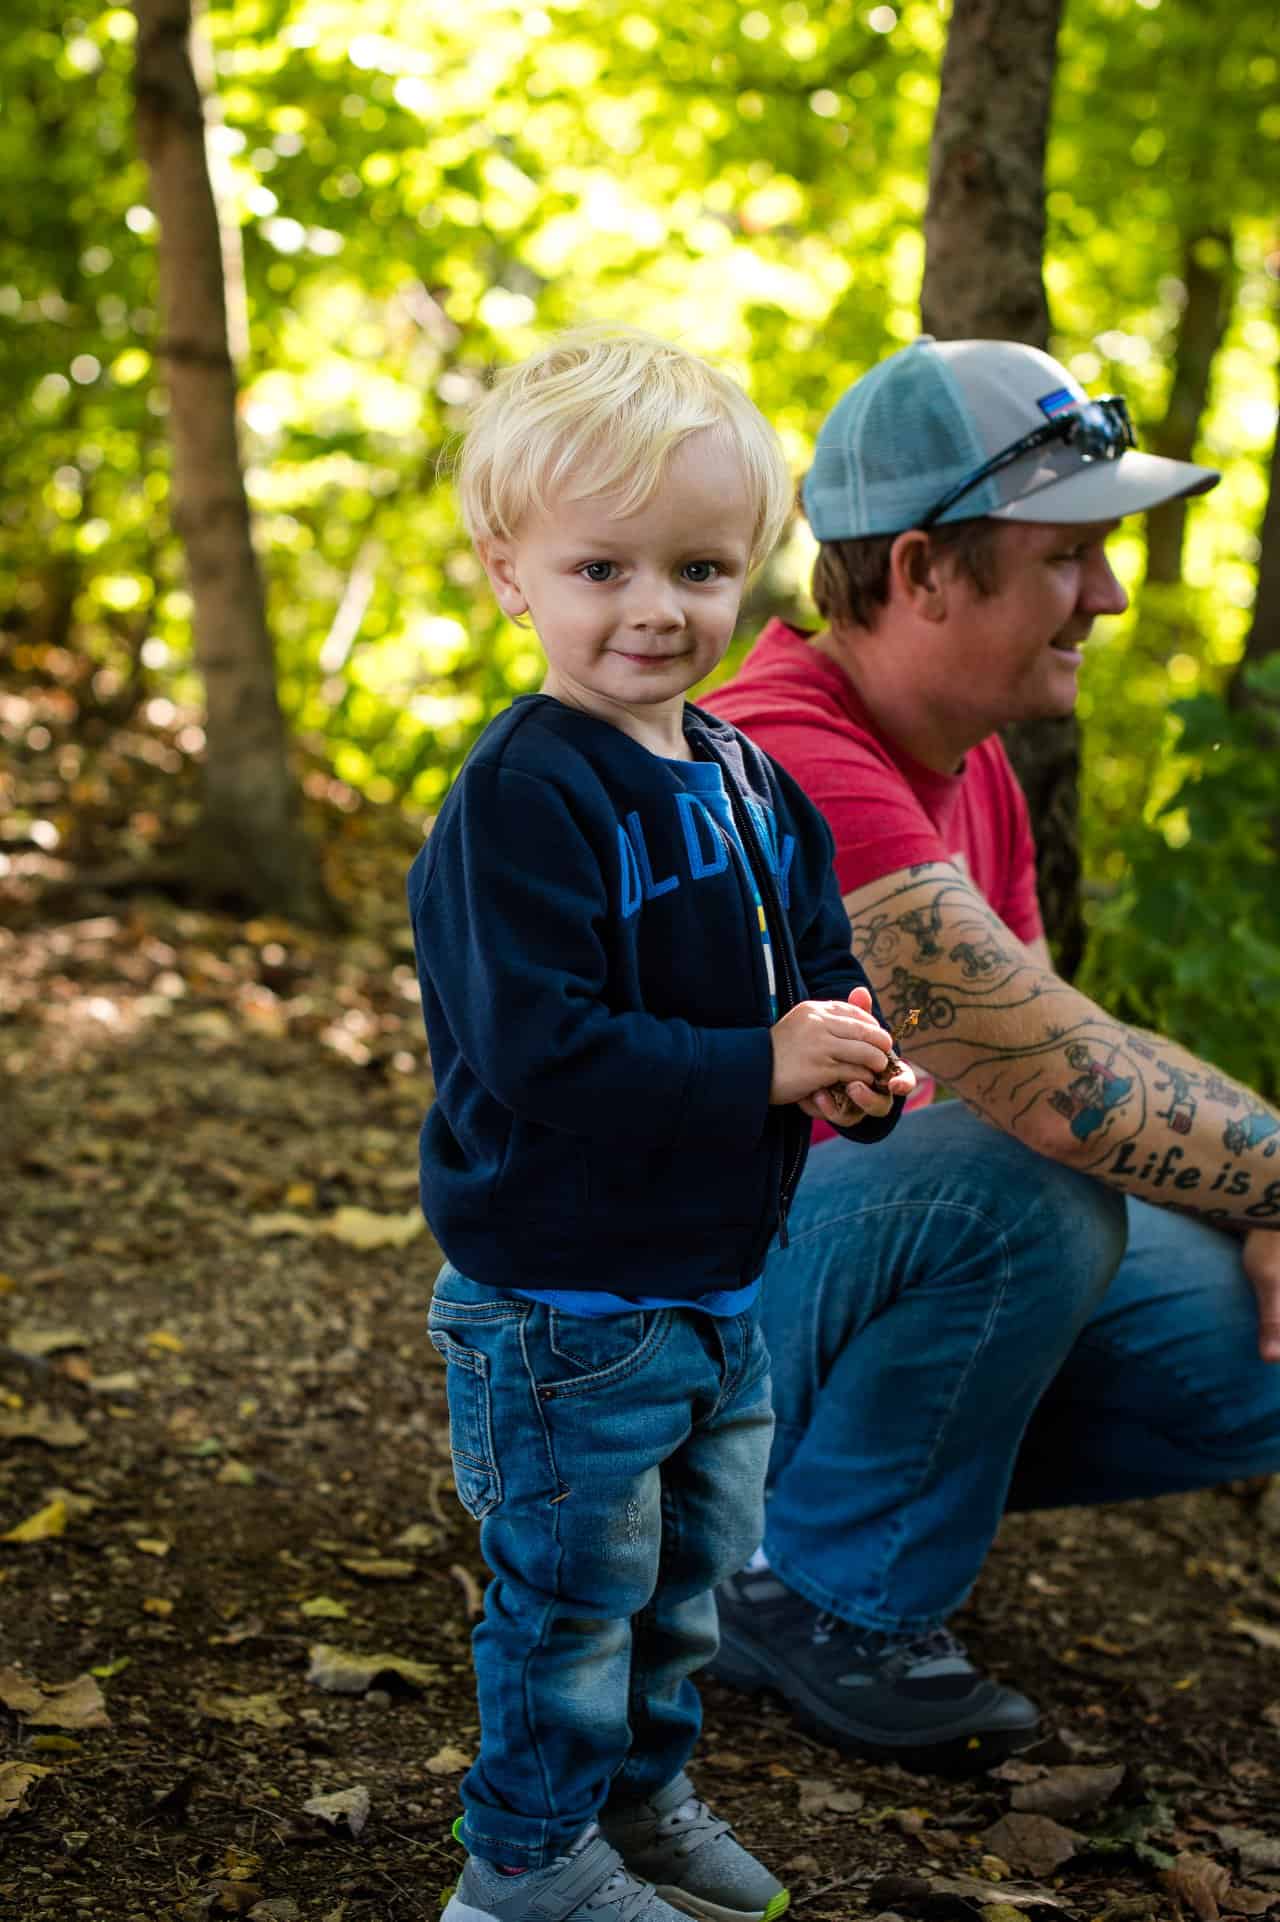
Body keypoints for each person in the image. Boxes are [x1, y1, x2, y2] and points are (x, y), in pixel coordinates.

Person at [703, 334, 1280, 1773]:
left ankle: (833, 1516)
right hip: (664, 1337)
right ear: (918, 570)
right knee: (1018, 1186)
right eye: (1068, 554)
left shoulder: (970, 771)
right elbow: (1050, 1088)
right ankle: (805, 1589)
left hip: (812, 1279)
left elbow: (1058, 1065)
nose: (1113, 591)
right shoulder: (781, 753)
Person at [407, 327, 913, 1922]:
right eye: (601, 565)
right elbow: (540, 1046)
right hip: (561, 1299)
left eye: (698, 566)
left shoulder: (753, 780)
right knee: (571, 1590)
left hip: (711, 1281)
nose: (653, 607)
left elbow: (816, 970)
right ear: (512, 573)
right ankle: (523, 1865)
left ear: (750, 572)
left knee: (686, 1578)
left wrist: (848, 1066)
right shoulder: (521, 797)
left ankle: (641, 1801)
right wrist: (753, 1066)